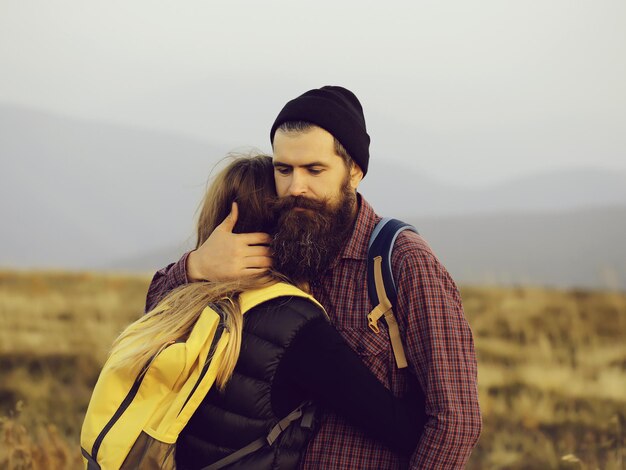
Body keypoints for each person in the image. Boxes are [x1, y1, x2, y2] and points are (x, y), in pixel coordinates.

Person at [146, 86, 482, 469]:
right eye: (283, 169)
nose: (295, 187)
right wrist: (196, 268)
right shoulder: (282, 239)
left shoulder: (404, 262)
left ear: (354, 171)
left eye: (314, 170)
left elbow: (456, 421)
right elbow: (155, 317)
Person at [132, 154, 425, 469]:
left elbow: (154, 300)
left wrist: (196, 264)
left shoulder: (185, 302)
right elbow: (403, 430)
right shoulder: (295, 325)